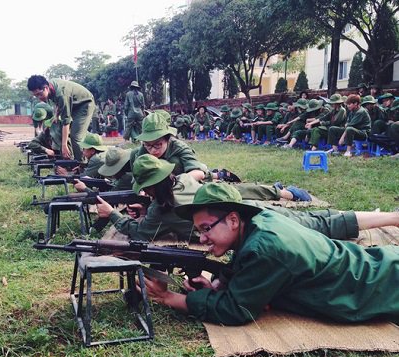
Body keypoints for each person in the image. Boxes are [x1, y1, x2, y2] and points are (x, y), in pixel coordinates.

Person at [142, 182, 399, 325]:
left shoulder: (265, 248)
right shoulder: (259, 222)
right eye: (198, 231)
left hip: (381, 286)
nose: (202, 238)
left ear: (233, 219)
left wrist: (169, 298)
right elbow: (245, 265)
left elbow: (236, 310)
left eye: (206, 228)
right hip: (379, 268)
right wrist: (220, 283)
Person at [96, 155, 313, 243]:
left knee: (310, 226)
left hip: (250, 226)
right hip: (246, 209)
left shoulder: (161, 211)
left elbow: (139, 233)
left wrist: (112, 213)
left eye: (145, 189)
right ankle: (288, 193)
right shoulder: (181, 179)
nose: (144, 193)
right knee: (313, 222)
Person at [27, 75, 95, 161]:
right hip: (73, 104)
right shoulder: (51, 86)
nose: (39, 98)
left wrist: (64, 146)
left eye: (40, 94)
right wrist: (56, 115)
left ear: (46, 88)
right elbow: (58, 104)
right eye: (36, 96)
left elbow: (66, 121)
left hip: (85, 104)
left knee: (76, 136)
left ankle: (81, 165)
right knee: (72, 131)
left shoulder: (61, 94)